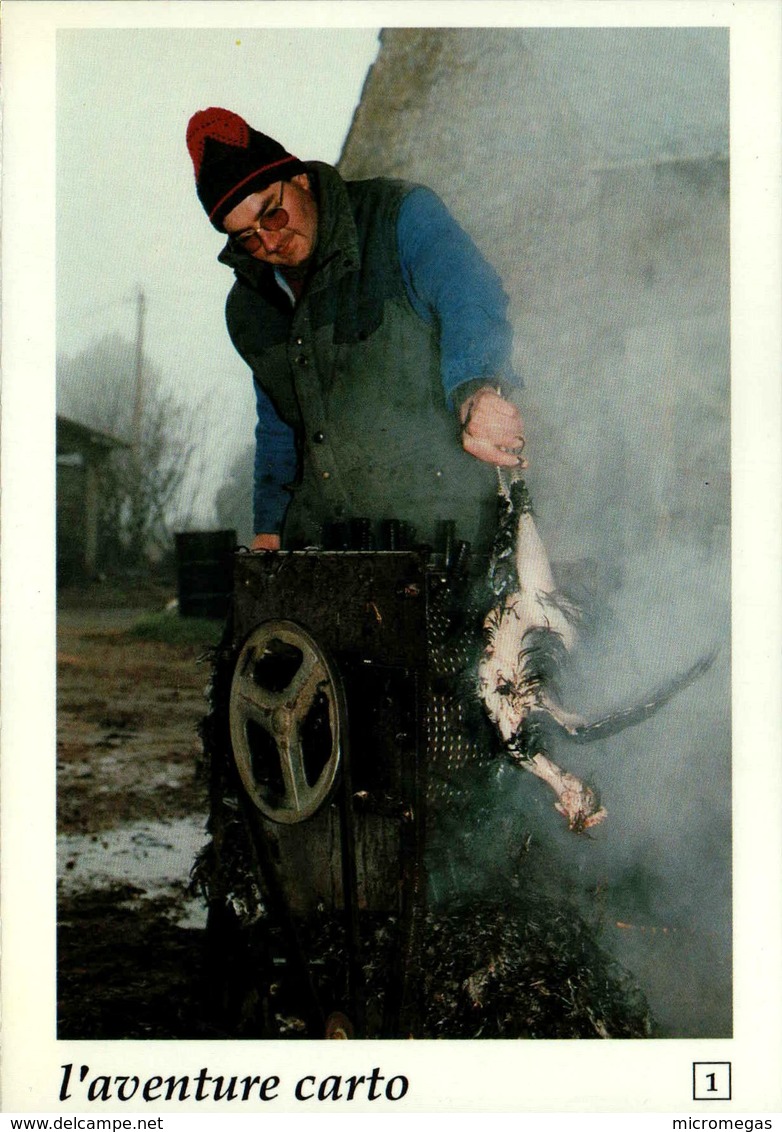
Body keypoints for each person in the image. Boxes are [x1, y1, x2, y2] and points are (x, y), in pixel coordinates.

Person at [186, 107, 526, 560]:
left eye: (271, 215)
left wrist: (476, 390)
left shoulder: (398, 217)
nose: (269, 242)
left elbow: (469, 293)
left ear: (301, 179)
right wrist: (270, 528)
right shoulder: (250, 308)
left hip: (454, 536)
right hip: (330, 546)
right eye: (246, 237)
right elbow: (278, 422)